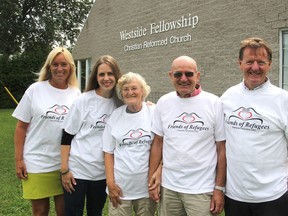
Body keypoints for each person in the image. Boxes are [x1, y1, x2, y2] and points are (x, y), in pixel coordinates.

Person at [148, 55, 226, 216]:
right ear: (171, 76)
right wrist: (151, 179)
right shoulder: (164, 102)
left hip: (201, 189)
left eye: (189, 74)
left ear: (197, 75)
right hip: (169, 187)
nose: (183, 79)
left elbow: (221, 148)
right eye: (178, 74)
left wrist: (219, 188)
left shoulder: (214, 103)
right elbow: (158, 142)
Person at [221, 37, 288, 216]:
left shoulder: (283, 99)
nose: (255, 67)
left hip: (273, 195)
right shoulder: (228, 96)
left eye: (261, 62)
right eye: (249, 62)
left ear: (270, 64)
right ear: (240, 63)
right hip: (235, 196)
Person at [12, 47, 80, 216]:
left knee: (64, 211)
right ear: (49, 67)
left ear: (70, 67)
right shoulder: (35, 90)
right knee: (40, 211)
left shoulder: (76, 93)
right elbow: (21, 127)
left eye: (64, 64)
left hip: (65, 164)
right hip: (36, 161)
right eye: (55, 64)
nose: (59, 68)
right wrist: (19, 160)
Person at [60, 55, 123, 216]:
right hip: (77, 172)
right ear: (96, 77)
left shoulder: (120, 104)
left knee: (95, 212)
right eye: (101, 74)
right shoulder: (83, 101)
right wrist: (64, 170)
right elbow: (67, 135)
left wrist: (148, 106)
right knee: (73, 213)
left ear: (117, 76)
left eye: (110, 74)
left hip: (102, 174)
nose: (106, 78)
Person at [103, 72, 158, 216]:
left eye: (134, 88)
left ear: (143, 91)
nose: (130, 92)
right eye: (125, 89)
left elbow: (163, 147)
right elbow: (108, 152)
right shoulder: (115, 116)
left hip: (147, 188)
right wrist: (110, 183)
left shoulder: (154, 112)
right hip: (120, 189)